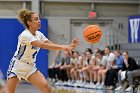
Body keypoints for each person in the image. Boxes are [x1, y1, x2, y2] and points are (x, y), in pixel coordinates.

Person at [6, 9, 79, 93]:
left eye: (39, 19)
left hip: (30, 67)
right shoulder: (25, 35)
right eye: (36, 19)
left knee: (46, 87)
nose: (39, 21)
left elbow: (51, 45)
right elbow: (42, 45)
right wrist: (64, 47)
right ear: (29, 22)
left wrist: (68, 47)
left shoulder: (39, 34)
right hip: (18, 66)